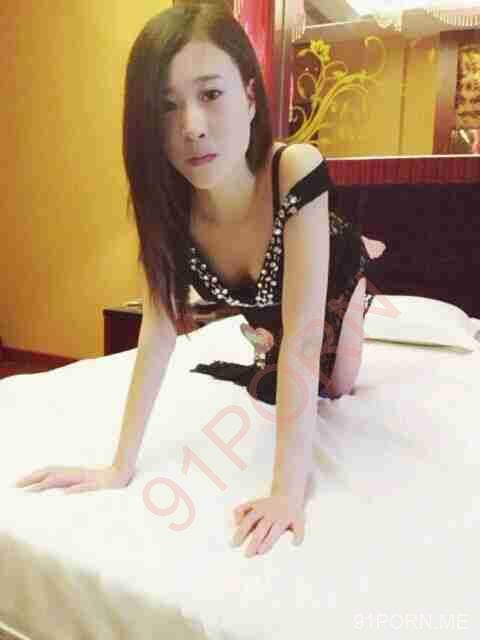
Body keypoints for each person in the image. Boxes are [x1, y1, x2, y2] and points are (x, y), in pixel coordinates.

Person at [15, 3, 385, 558]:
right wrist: (119, 467)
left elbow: (305, 341)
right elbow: (157, 333)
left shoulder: (295, 168)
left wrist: (286, 493)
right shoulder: (167, 206)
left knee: (336, 387)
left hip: (333, 267)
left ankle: (364, 275)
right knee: (276, 366)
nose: (191, 126)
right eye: (167, 106)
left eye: (211, 94)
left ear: (250, 98)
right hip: (269, 299)